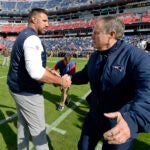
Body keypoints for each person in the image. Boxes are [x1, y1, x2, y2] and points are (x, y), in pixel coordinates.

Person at [71, 15, 150, 150]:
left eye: (96, 32)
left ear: (111, 34)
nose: (91, 36)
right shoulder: (95, 56)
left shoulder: (137, 57)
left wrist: (133, 119)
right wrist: (67, 78)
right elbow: (84, 75)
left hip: (120, 121)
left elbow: (147, 90)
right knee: (83, 147)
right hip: (94, 117)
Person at [7, 8, 71, 150]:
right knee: (40, 136)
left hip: (18, 89)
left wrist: (48, 71)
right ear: (33, 19)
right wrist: (61, 81)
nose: (47, 24)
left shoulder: (24, 34)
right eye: (44, 20)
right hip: (27, 92)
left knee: (23, 127)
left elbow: (28, 65)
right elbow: (35, 72)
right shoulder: (31, 38)